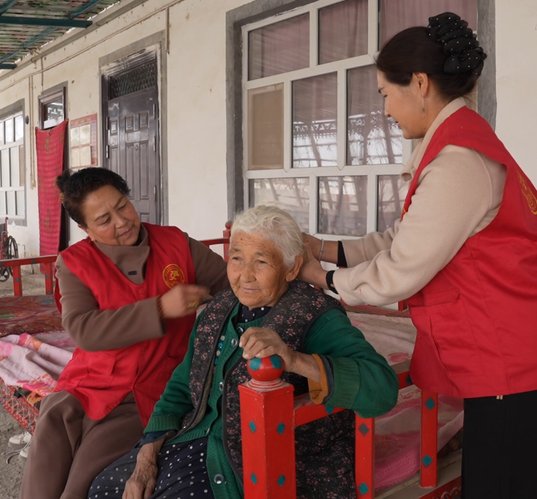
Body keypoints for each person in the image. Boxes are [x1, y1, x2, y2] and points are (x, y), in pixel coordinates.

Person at [298, 12, 537, 499]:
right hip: (522, 350)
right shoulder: (461, 145)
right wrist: (321, 249)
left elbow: (400, 270)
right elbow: (404, 238)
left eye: (385, 93)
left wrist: (320, 278)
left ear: (420, 83)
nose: (385, 110)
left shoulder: (458, 163)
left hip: (514, 361)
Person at [87, 205, 399, 499]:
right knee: (102, 488)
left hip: (262, 464)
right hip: (194, 439)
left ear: (292, 268)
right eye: (236, 258)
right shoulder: (218, 308)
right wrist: (146, 456)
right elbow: (181, 385)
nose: (244, 275)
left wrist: (294, 359)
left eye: (261, 262)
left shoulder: (316, 313)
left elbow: (382, 388)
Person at [20, 167, 230, 499]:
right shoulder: (74, 263)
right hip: (93, 380)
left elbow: (231, 286)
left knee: (85, 476)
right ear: (85, 230)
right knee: (53, 427)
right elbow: (83, 329)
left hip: (156, 386)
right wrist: (159, 308)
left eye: (123, 206)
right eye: (104, 220)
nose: (122, 222)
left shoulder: (176, 244)